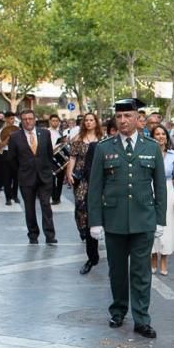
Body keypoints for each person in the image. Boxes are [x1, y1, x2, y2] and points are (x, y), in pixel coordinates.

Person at [87, 98, 167, 339]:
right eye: (119, 117)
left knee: (142, 273)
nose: (123, 121)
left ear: (137, 118)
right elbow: (95, 187)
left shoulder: (151, 147)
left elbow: (160, 186)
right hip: (114, 220)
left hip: (143, 219)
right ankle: (119, 310)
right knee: (117, 271)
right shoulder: (104, 147)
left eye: (127, 116)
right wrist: (95, 221)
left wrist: (160, 219)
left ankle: (142, 318)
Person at [7, 110, 57, 245]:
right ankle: (33, 235)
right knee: (29, 208)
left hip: (44, 177)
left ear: (35, 120)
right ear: (21, 121)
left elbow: (49, 153)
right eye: (24, 119)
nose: (27, 121)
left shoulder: (45, 133)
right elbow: (11, 159)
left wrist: (48, 171)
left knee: (46, 205)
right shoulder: (15, 137)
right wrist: (21, 171)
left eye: (30, 118)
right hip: (26, 177)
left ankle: (50, 235)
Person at [66, 112, 102, 274]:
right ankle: (91, 255)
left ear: (96, 122)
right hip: (82, 179)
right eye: (86, 120)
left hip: (101, 180)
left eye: (91, 120)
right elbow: (72, 158)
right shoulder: (78, 139)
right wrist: (69, 173)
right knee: (82, 210)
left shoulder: (104, 140)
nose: (88, 123)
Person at [149, 125, 174, 276]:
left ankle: (164, 258)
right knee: (151, 224)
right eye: (157, 134)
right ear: (152, 137)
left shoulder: (173, 155)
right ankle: (152, 256)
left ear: (166, 136)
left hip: (168, 190)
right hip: (149, 189)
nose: (160, 136)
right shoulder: (147, 153)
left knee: (168, 226)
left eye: (163, 134)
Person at [47, 114, 65, 205]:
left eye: (57, 121)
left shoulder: (61, 132)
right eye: (53, 120)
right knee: (52, 178)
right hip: (51, 157)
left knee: (61, 178)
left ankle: (57, 197)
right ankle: (54, 197)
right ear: (50, 121)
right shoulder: (46, 132)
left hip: (60, 157)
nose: (55, 122)